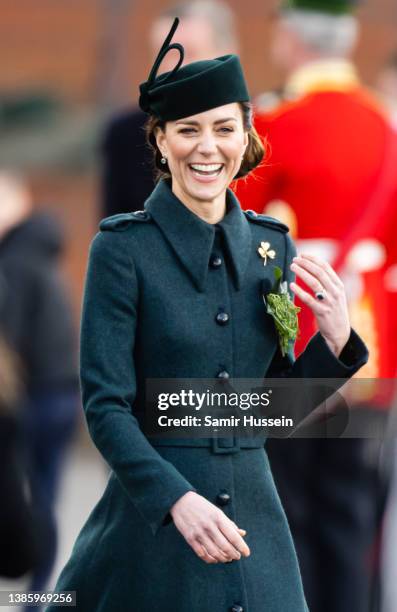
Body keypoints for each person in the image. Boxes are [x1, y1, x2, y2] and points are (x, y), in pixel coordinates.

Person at [46, 18, 368, 612]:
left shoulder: (273, 246)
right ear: (161, 141)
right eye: (187, 130)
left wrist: (337, 342)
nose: (207, 147)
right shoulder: (123, 250)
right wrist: (176, 499)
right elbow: (106, 407)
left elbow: (266, 413)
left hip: (256, 531)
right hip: (154, 529)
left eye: (224, 129)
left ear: (245, 136)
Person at [235, 1, 397, 610]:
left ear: (290, 39)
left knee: (289, 509)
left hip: (296, 338)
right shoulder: (386, 126)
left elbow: (236, 230)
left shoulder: (278, 124)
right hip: (372, 339)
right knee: (355, 516)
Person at [0, 170, 80, 611]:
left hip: (33, 397)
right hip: (62, 392)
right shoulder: (42, 251)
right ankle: (39, 593)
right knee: (45, 496)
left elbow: (8, 338)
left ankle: (35, 595)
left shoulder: (14, 262)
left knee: (27, 500)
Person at [101, 0, 238, 217]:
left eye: (189, 53)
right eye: (164, 55)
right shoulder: (127, 134)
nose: (173, 67)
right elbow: (113, 228)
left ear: (226, 54)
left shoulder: (266, 128)